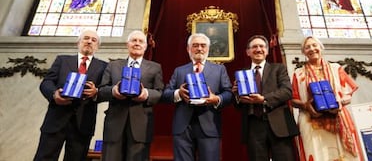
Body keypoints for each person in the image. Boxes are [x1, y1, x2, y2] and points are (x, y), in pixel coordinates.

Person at [34, 29, 107, 161]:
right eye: (86, 38)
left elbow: (106, 91)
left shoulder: (104, 66)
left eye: (94, 40)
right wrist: (54, 94)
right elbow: (47, 82)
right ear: (78, 42)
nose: (89, 41)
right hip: (56, 119)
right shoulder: (62, 60)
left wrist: (96, 92)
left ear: (97, 46)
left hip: (83, 123)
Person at [161, 33, 233, 161]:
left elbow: (229, 94)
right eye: (195, 45)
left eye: (203, 45)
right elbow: (165, 94)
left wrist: (216, 99)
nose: (199, 48)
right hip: (183, 127)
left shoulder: (219, 70)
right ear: (188, 49)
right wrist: (178, 93)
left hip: (209, 126)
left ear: (208, 49)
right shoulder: (179, 70)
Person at [291, 36, 363, 161]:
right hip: (311, 121)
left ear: (321, 47)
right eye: (307, 47)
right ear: (303, 52)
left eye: (315, 45)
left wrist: (339, 102)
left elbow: (348, 96)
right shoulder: (298, 73)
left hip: (338, 118)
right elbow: (293, 99)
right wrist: (306, 105)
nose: (312, 49)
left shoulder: (336, 68)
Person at [98, 30, 164, 161]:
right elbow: (101, 91)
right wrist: (114, 91)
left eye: (141, 41)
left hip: (141, 125)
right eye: (134, 40)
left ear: (145, 46)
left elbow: (160, 93)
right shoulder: (113, 65)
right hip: (114, 123)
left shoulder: (155, 67)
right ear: (127, 44)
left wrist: (145, 94)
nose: (137, 44)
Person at [232, 35, 299, 161]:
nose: (258, 49)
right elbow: (237, 105)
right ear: (248, 52)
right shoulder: (242, 73)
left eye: (261, 46)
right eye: (254, 47)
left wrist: (263, 99)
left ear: (267, 51)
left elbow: (287, 91)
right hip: (253, 126)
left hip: (279, 124)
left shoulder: (279, 68)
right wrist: (236, 95)